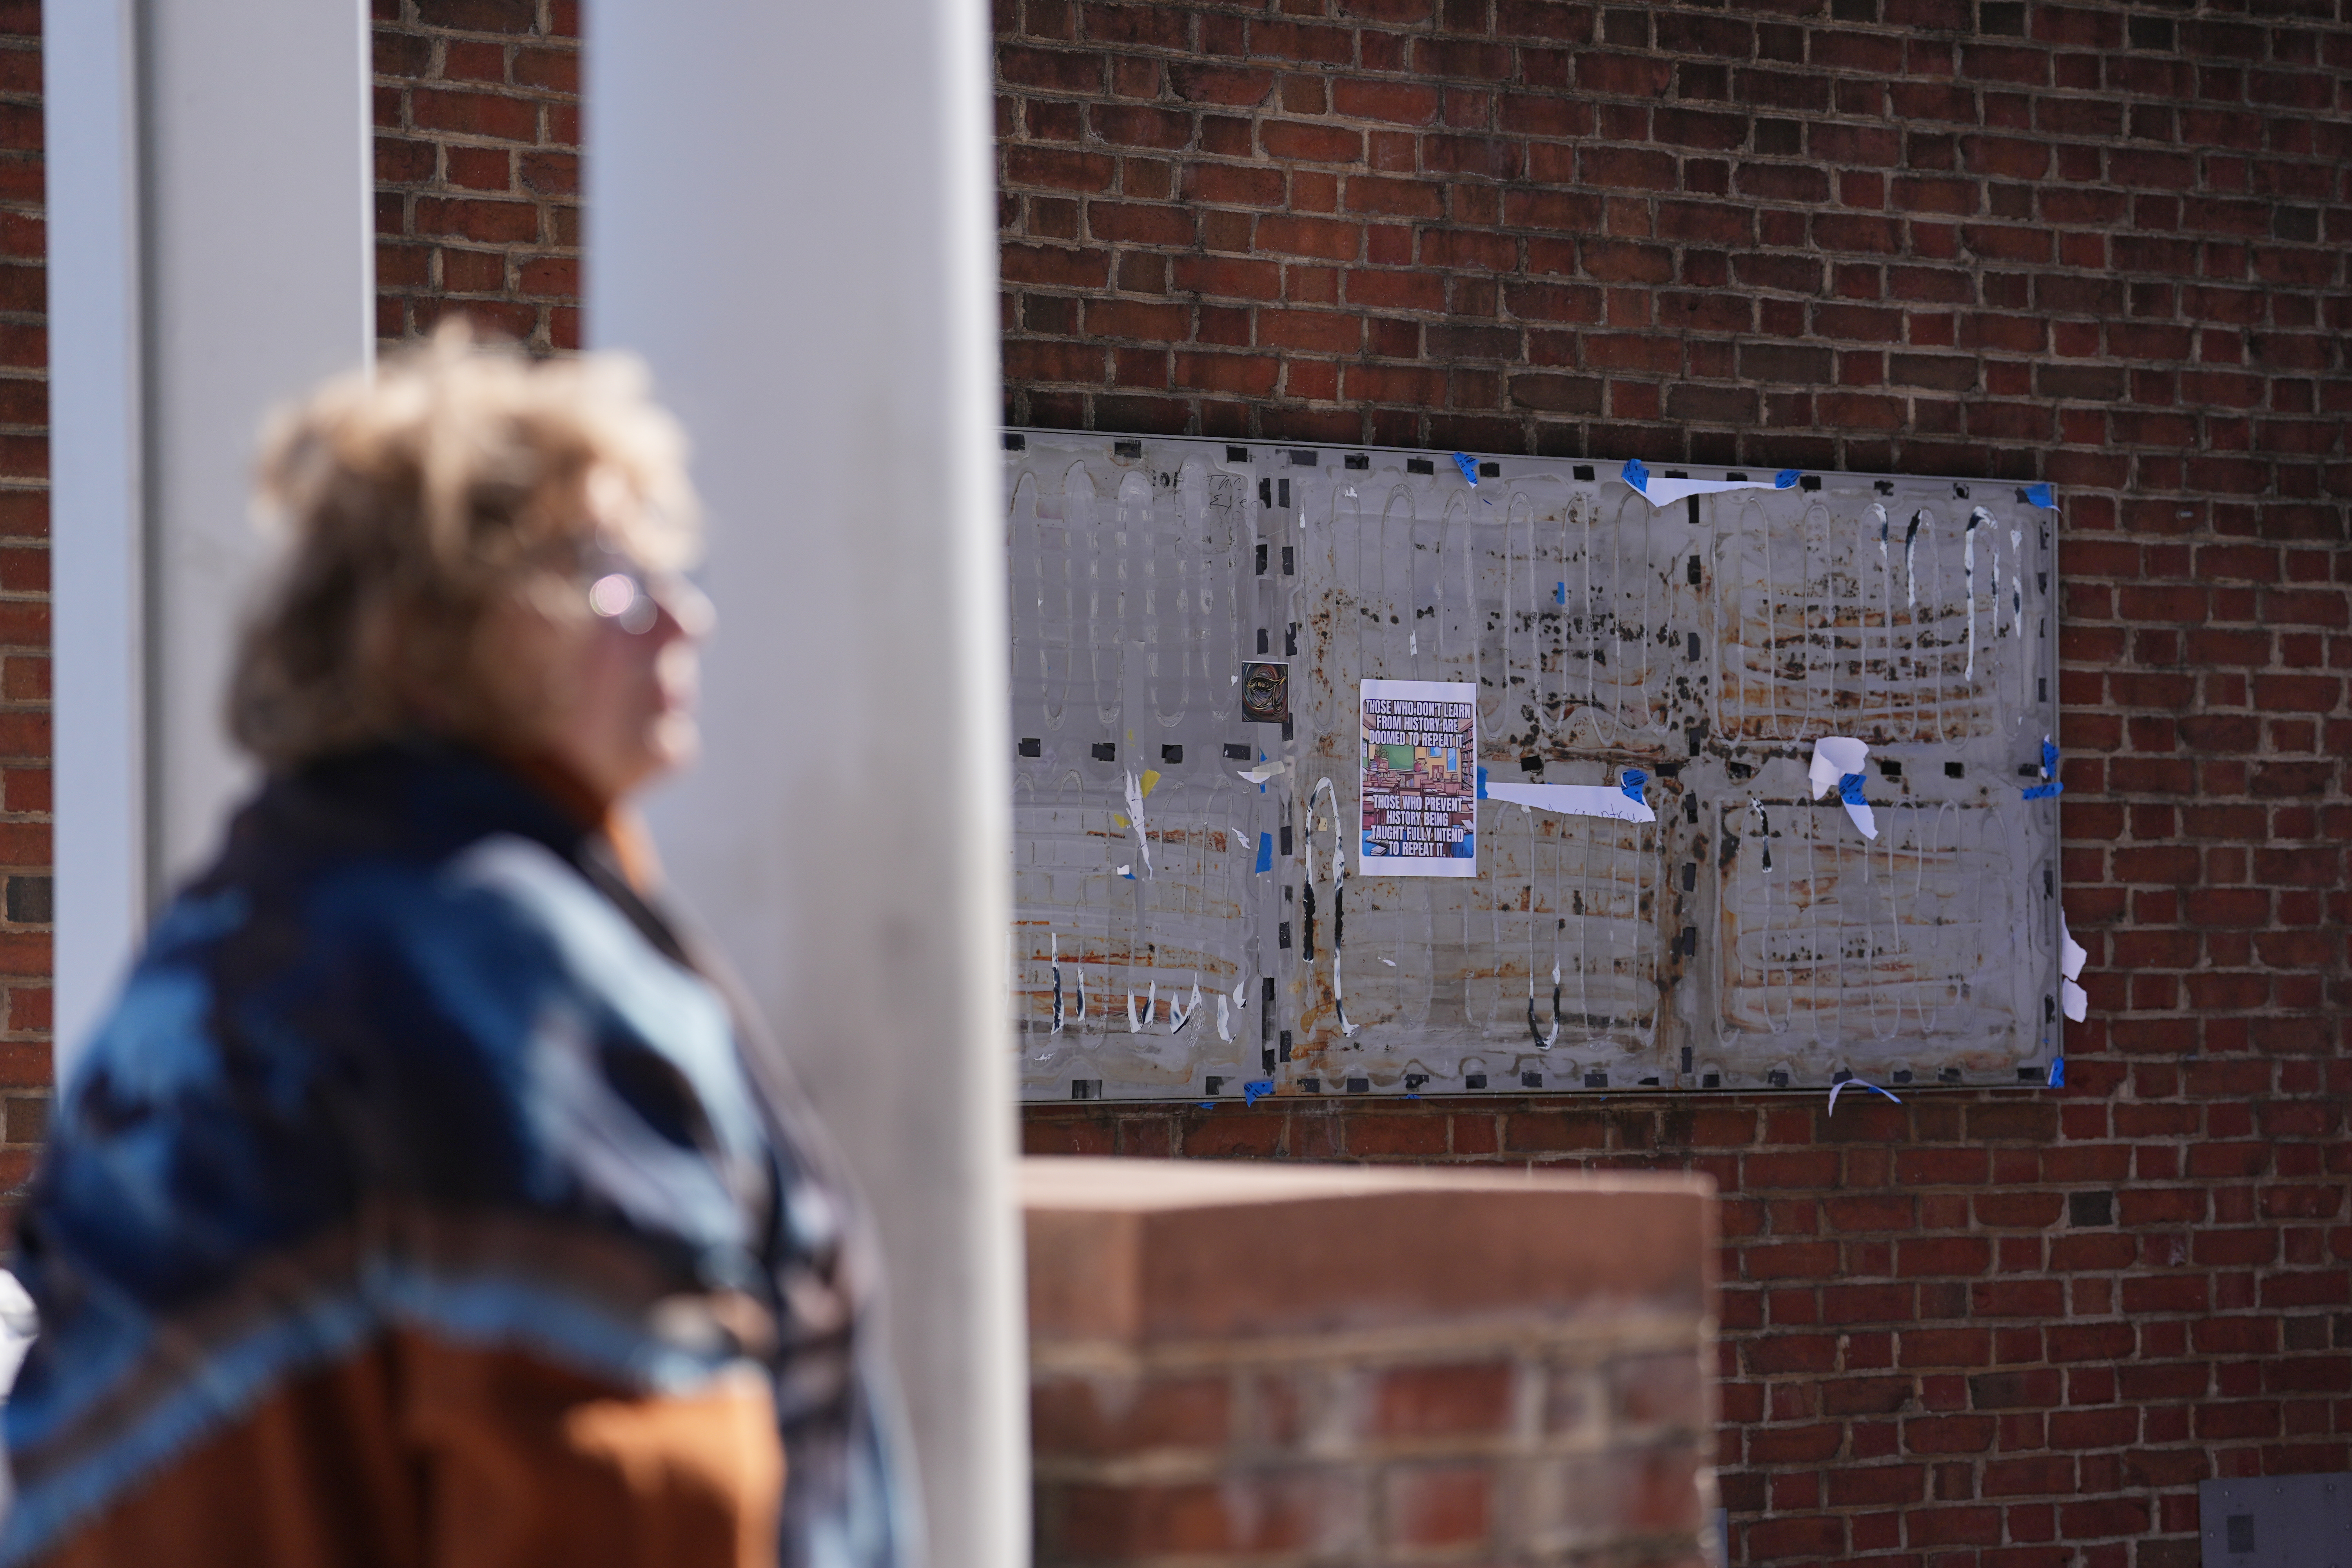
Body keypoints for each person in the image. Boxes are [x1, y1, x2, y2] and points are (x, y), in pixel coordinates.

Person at [0, 326, 908, 1568]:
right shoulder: (486, 975)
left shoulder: (254, 918)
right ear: (428, 632)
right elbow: (629, 1497)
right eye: (606, 577)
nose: (682, 617)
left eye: (666, 568)